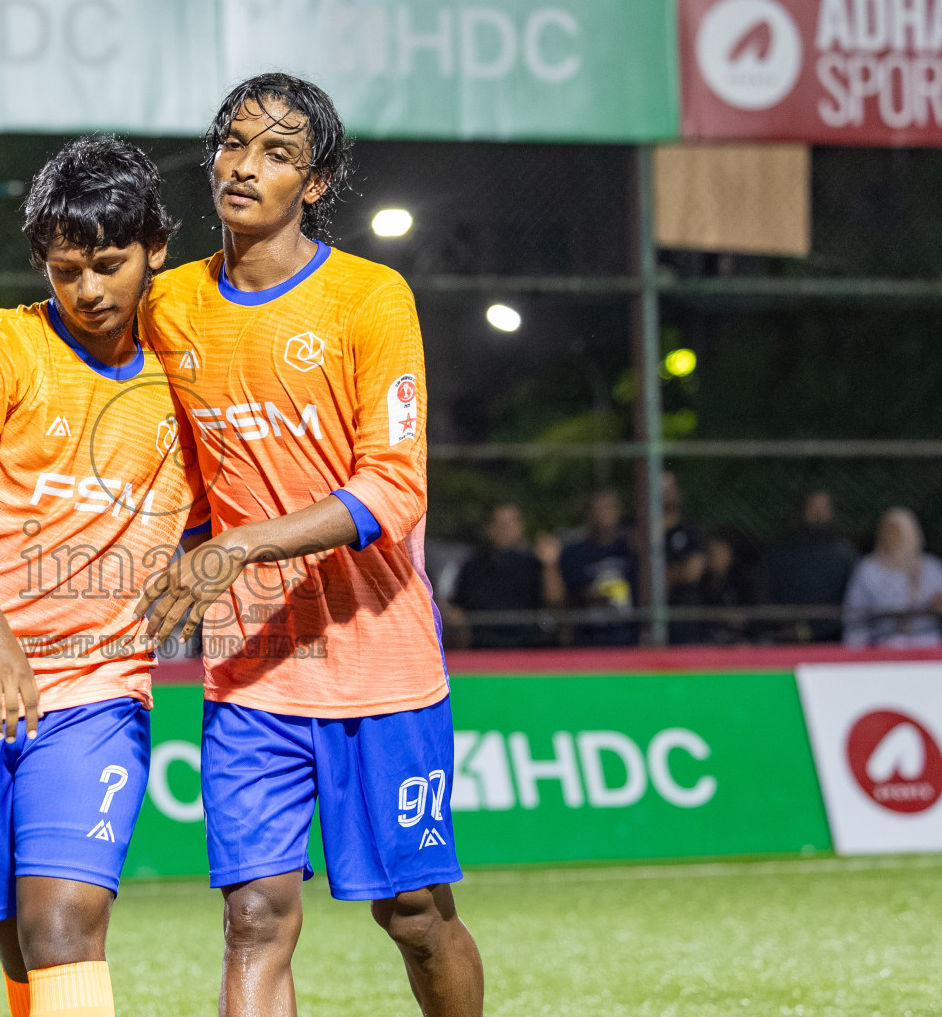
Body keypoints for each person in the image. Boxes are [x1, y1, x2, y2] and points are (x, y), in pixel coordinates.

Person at [138, 75, 483, 1017]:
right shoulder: (165, 309)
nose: (247, 167)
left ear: (316, 182)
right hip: (252, 672)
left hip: (384, 665)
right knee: (254, 917)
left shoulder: (370, 299)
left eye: (278, 154)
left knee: (413, 915)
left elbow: (398, 485)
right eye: (234, 144)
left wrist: (240, 545)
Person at [0, 135, 203, 1017]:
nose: (90, 290)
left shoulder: (187, 368)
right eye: (68, 268)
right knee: (12, 932)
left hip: (100, 689)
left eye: (111, 264)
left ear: (156, 249)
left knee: (65, 923)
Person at [449, 503, 564, 649]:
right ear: (489, 527)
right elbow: (457, 607)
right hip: (483, 645)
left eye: (510, 523)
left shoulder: (534, 563)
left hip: (528, 644)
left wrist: (550, 566)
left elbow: (555, 602)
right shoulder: (472, 565)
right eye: (498, 523)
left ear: (520, 527)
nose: (503, 529)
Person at [761, 490, 858, 642]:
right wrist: (785, 625)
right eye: (813, 508)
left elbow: (855, 599)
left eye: (824, 509)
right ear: (802, 511)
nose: (819, 515)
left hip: (835, 638)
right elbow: (764, 592)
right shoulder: (781, 553)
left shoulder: (845, 554)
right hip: (786, 637)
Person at [843, 507, 942, 649]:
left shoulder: (932, 568)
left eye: (895, 532)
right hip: (883, 646)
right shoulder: (868, 569)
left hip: (929, 645)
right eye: (885, 531)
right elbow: (854, 617)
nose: (889, 537)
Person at [559, 489, 640, 647]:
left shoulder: (631, 549)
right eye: (599, 509)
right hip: (590, 638)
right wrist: (591, 594)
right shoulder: (574, 553)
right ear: (589, 514)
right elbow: (568, 595)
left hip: (627, 637)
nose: (604, 515)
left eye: (609, 507)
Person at [661, 473, 709, 644]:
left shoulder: (690, 530)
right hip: (647, 622)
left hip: (686, 618)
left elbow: (692, 572)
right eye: (662, 488)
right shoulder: (639, 533)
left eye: (671, 488)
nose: (667, 493)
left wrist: (660, 578)